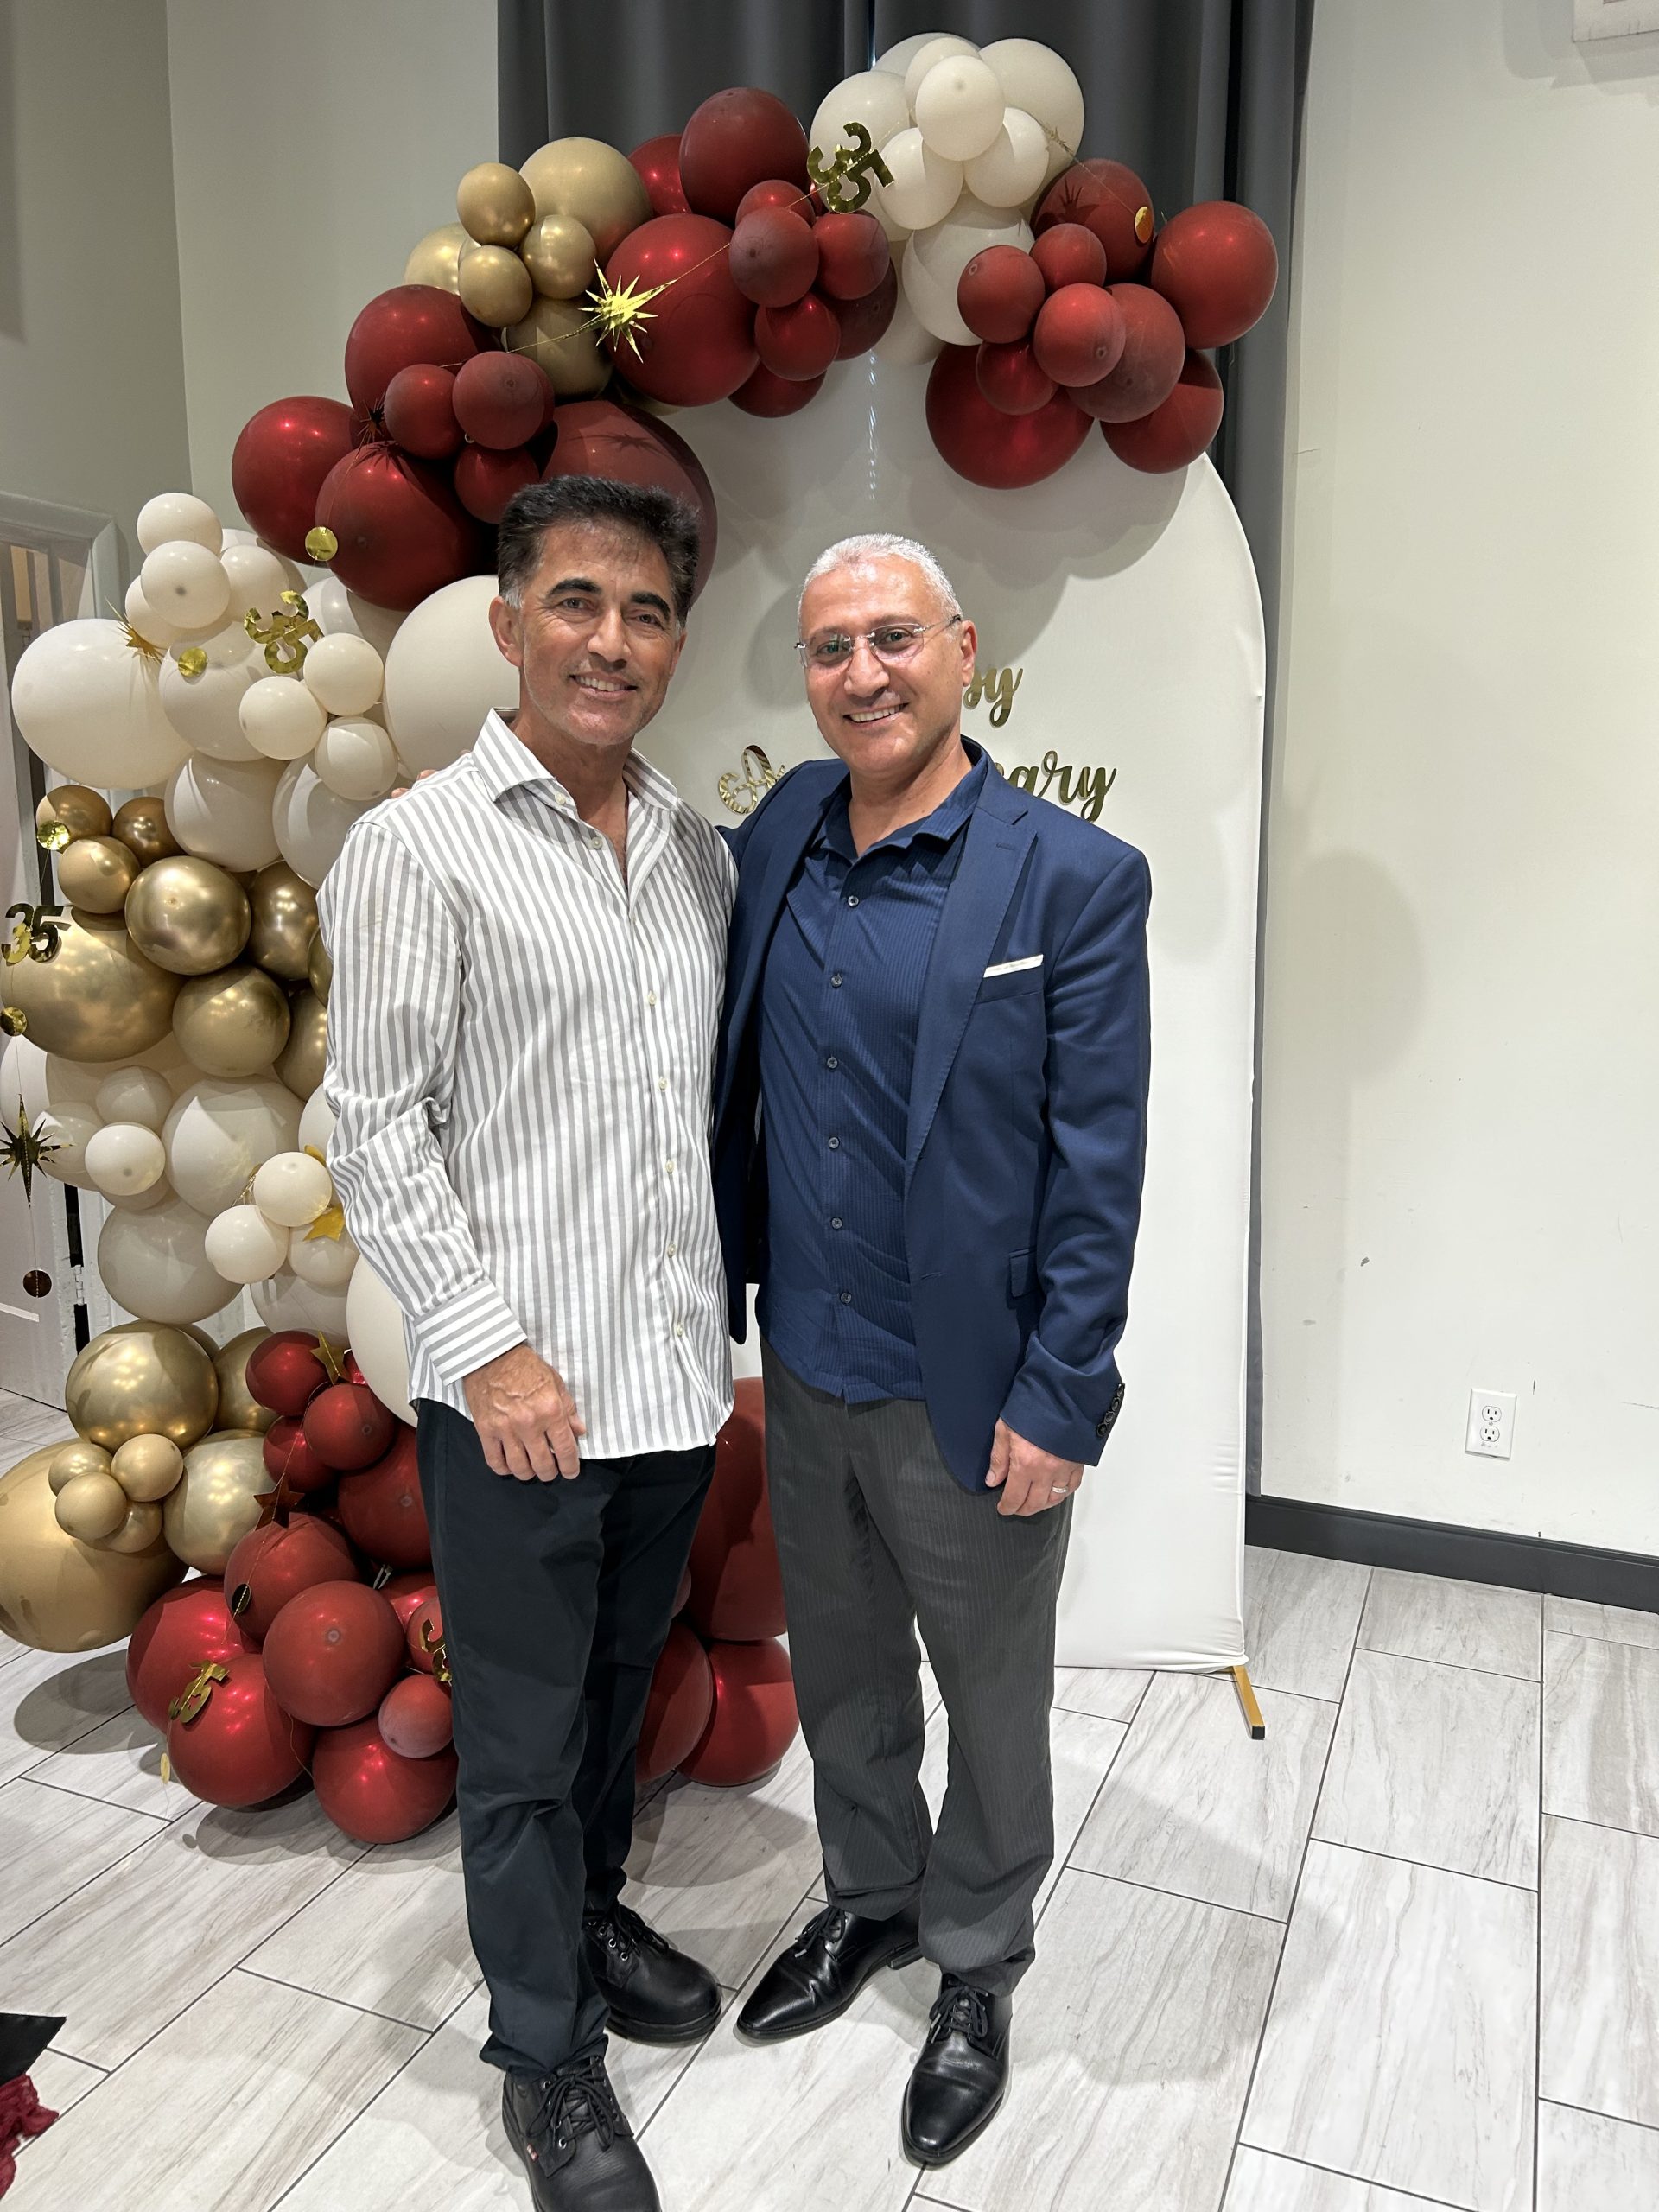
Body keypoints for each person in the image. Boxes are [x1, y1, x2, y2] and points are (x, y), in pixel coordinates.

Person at [320, 476, 734, 2212]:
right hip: (518, 1402)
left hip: (668, 1380)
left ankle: (586, 1915)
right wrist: (487, 1347)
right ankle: (544, 2055)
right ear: (507, 626)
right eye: (576, 601)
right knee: (516, 1739)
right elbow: (372, 1129)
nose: (610, 640)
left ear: (674, 644)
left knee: (615, 1696)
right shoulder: (418, 846)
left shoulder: (700, 851)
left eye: (645, 612)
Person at [714, 533, 1151, 2169]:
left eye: (893, 638)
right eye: (831, 648)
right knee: (841, 1669)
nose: (864, 674)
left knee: (992, 1688)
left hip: (974, 1390)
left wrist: (1066, 1394)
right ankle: (871, 1896)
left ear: (964, 651)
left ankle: (976, 1956)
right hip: (807, 1359)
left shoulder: (1073, 879)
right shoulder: (779, 833)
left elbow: (1100, 1168)